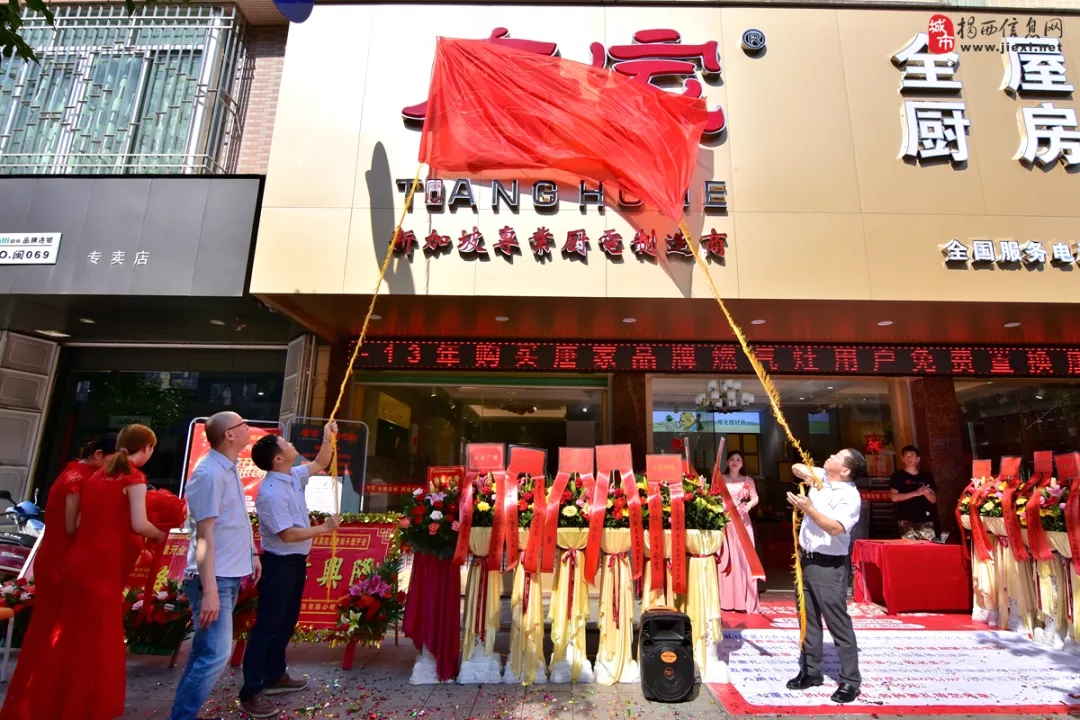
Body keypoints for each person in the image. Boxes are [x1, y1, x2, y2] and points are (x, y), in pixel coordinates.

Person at [10, 425, 166, 720]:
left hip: (76, 561)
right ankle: (78, 706)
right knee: (92, 639)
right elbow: (135, 523)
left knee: (66, 636)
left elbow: (79, 524)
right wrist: (160, 535)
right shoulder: (129, 477)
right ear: (146, 448)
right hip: (95, 566)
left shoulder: (94, 476)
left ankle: (51, 702)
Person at [0, 433, 117, 720]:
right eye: (114, 460)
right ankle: (43, 701)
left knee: (58, 632)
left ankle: (53, 697)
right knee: (54, 631)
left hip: (63, 558)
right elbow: (72, 526)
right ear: (99, 455)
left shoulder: (78, 473)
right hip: (62, 562)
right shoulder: (78, 479)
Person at [239, 421, 342, 717]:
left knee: (285, 623)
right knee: (267, 628)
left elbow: (321, 462)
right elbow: (287, 534)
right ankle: (250, 691)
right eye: (284, 444)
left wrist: (327, 438)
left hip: (295, 563)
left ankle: (274, 676)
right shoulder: (271, 492)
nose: (289, 443)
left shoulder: (292, 475)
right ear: (277, 458)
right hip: (278, 564)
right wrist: (323, 528)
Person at [168, 412, 261, 720]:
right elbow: (204, 536)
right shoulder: (209, 473)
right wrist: (209, 591)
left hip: (228, 575)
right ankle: (182, 716)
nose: (248, 428)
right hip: (213, 578)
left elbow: (235, 521)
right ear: (229, 435)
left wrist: (252, 554)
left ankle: (182, 713)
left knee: (204, 653)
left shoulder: (227, 468)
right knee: (215, 655)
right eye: (242, 425)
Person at [785, 449, 866, 705]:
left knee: (837, 622)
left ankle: (850, 680)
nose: (831, 455)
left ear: (846, 470)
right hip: (805, 559)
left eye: (838, 456)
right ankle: (811, 671)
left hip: (829, 565)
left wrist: (808, 508)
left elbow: (835, 528)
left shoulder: (850, 496)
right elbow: (796, 467)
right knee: (807, 617)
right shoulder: (822, 477)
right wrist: (809, 475)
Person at [719, 450, 760, 613]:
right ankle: (727, 599)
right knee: (726, 557)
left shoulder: (747, 480)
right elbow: (714, 496)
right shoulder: (721, 478)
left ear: (742, 463)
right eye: (732, 459)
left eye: (738, 459)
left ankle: (744, 598)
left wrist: (750, 504)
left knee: (744, 557)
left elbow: (755, 497)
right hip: (726, 521)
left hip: (743, 522)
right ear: (727, 462)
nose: (735, 462)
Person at [889, 445, 937, 540]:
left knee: (928, 546)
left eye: (912, 456)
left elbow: (933, 500)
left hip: (925, 519)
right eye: (906, 456)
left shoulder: (926, 476)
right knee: (910, 547)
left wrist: (926, 492)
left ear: (918, 459)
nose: (909, 458)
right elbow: (894, 497)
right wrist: (916, 493)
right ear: (902, 459)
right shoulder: (897, 476)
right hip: (906, 519)